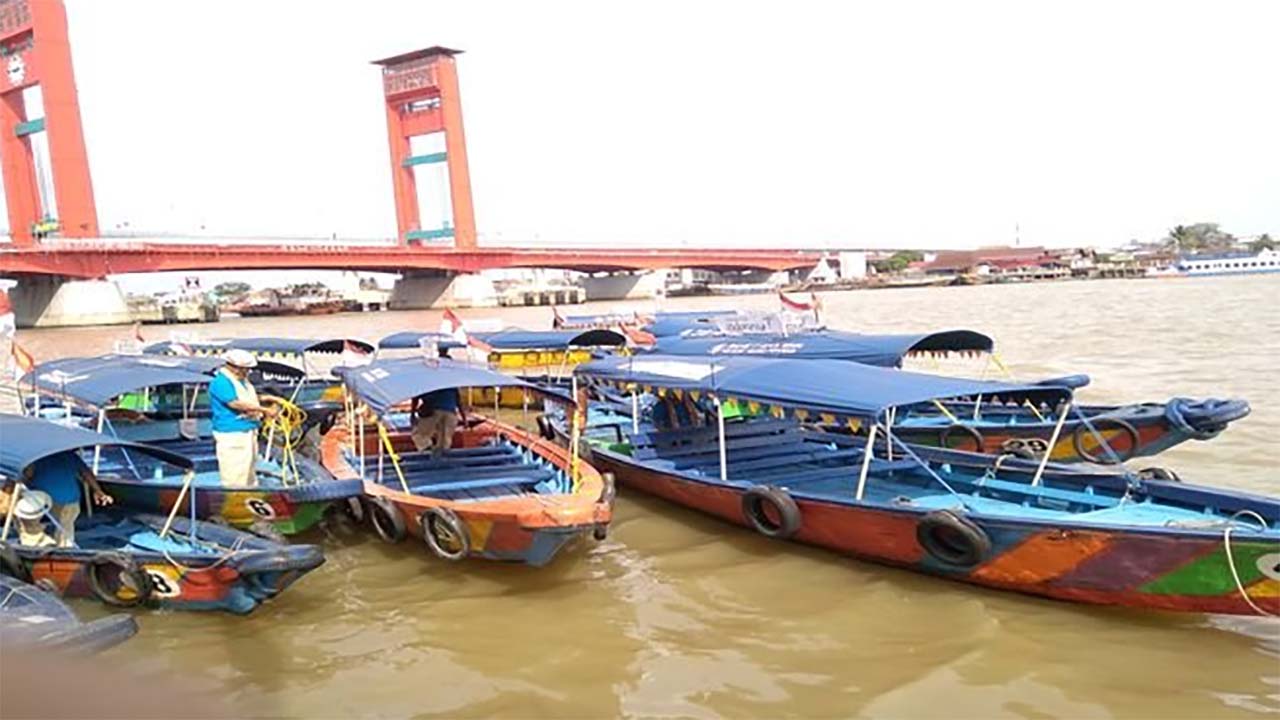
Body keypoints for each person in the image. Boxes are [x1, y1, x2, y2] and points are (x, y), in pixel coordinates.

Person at [209, 349, 279, 487]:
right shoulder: (221, 382)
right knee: (235, 471)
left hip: (249, 429)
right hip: (232, 432)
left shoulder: (242, 381)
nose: (248, 373)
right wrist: (264, 410)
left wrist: (267, 398)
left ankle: (251, 491)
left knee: (249, 468)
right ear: (234, 368)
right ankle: (235, 498)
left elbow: (247, 398)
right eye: (245, 369)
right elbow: (235, 403)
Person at [410, 388, 463, 455]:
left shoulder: (425, 382)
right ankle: (442, 456)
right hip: (450, 412)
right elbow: (458, 400)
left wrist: (412, 414)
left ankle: (427, 448)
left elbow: (415, 398)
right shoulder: (451, 382)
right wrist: (464, 418)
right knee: (444, 440)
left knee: (419, 435)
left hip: (433, 410)